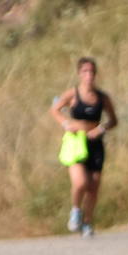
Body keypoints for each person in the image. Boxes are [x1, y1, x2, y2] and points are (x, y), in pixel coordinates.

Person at [48, 57, 117, 238]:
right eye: (85, 71)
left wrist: (101, 129)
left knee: (93, 186)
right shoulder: (72, 94)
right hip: (76, 142)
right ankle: (76, 210)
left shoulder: (102, 97)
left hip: (95, 144)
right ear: (79, 74)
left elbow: (113, 120)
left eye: (92, 72)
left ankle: (87, 223)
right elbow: (55, 110)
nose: (89, 75)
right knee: (81, 182)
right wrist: (65, 124)